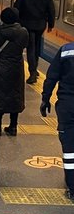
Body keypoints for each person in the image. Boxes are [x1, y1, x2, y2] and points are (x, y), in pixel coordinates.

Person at [0, 7, 28, 136]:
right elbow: (25, 45)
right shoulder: (23, 32)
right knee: (15, 94)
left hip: (1, 67)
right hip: (17, 67)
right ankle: (13, 126)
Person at [40, 41, 74, 200]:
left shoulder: (66, 50)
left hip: (67, 107)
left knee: (69, 149)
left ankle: (72, 188)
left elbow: (52, 77)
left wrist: (45, 98)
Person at [13, 0, 56, 84]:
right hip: (40, 24)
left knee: (30, 47)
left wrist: (16, 21)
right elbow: (51, 9)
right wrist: (51, 24)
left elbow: (16, 7)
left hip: (26, 23)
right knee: (36, 46)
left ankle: (32, 72)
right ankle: (34, 69)